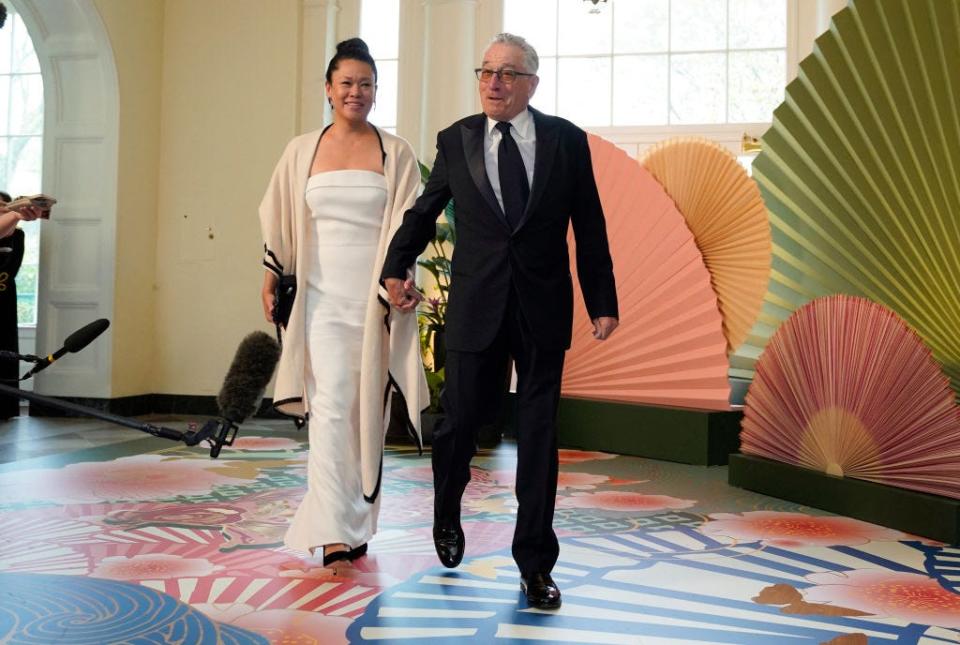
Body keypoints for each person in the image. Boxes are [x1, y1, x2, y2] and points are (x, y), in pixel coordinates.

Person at [381, 33, 619, 609]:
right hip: (475, 307)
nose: (494, 82)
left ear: (531, 83)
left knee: (538, 439)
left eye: (508, 73)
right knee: (459, 425)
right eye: (486, 71)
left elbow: (589, 225)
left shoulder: (566, 142)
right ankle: (446, 514)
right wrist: (394, 268)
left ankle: (535, 565)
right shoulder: (457, 139)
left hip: (541, 311)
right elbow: (422, 213)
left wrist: (603, 300)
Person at [258, 38, 427, 567]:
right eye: (346, 83)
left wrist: (400, 283)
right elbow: (279, 215)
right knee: (330, 408)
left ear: (376, 92)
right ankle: (334, 531)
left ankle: (355, 524)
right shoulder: (300, 149)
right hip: (320, 299)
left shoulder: (394, 152)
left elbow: (409, 224)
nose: (356, 92)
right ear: (329, 90)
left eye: (366, 84)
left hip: (374, 300)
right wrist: (270, 275)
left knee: (362, 414)